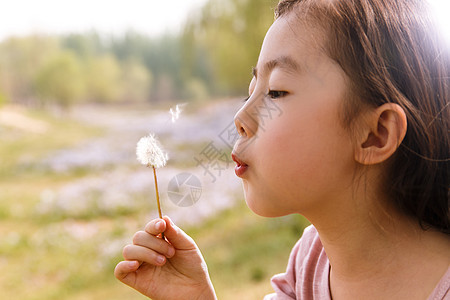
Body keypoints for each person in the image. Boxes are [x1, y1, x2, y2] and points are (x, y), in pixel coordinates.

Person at [114, 0, 450, 298]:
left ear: (374, 134)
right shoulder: (309, 265)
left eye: (275, 92)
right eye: (251, 92)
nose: (240, 118)